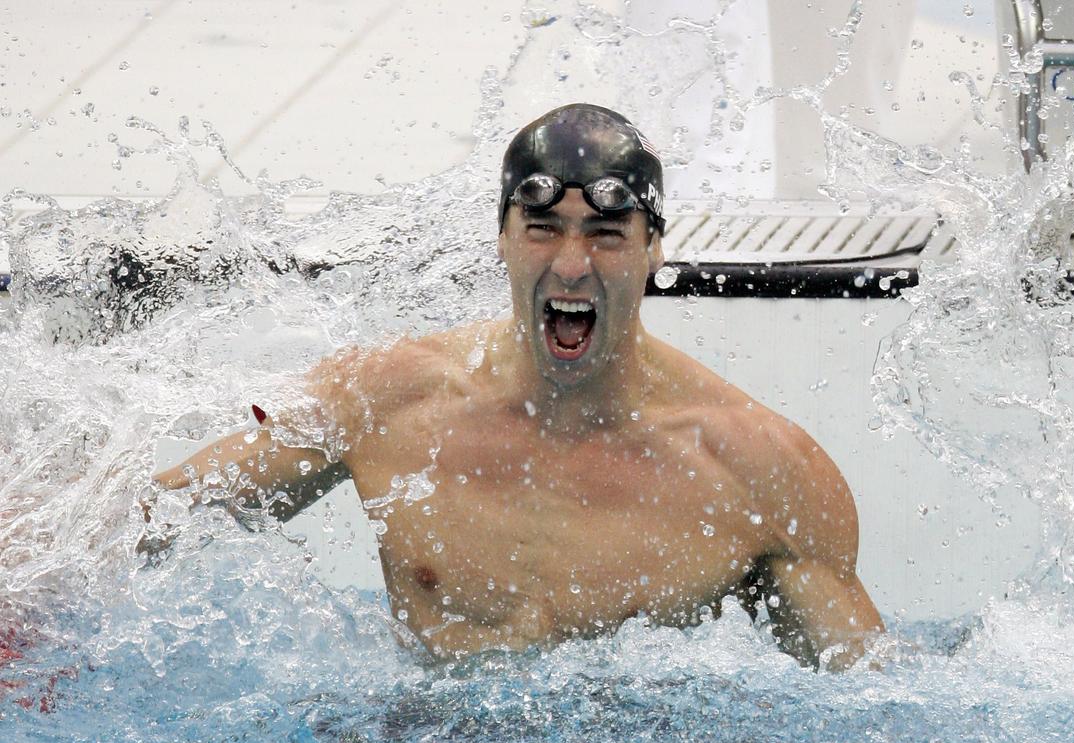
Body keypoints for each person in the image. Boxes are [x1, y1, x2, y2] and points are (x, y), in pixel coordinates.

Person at [145, 104, 883, 669]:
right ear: (501, 237)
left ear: (655, 247)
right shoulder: (386, 399)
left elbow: (874, 708)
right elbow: (161, 518)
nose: (569, 265)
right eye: (542, 228)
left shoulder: (760, 473)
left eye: (605, 234)